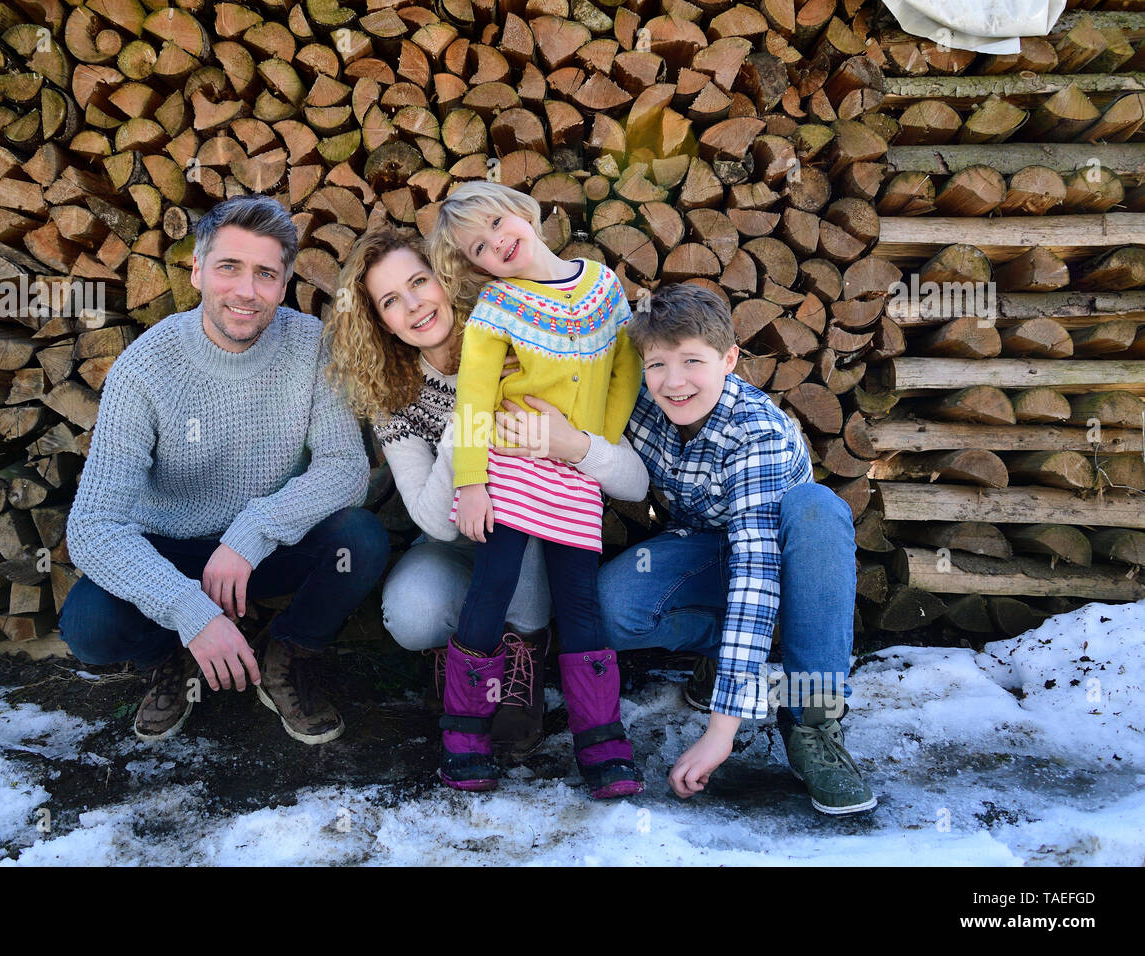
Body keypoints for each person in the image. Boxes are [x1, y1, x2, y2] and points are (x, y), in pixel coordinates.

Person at [59, 195, 389, 745]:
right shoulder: (144, 368)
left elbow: (345, 469)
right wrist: (187, 607)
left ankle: (284, 651)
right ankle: (174, 654)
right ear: (197, 272)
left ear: (284, 285)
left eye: (265, 273)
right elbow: (92, 527)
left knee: (361, 540)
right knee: (88, 627)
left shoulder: (312, 345)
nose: (246, 291)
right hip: (173, 552)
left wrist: (251, 533)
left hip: (267, 549)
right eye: (228, 268)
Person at [323, 226, 651, 760]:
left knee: (513, 524)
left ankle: (519, 658)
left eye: (418, 282)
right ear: (378, 320)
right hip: (453, 539)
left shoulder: (525, 334)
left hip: (531, 537)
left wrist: (575, 444)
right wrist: (472, 407)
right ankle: (467, 660)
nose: (414, 306)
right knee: (410, 613)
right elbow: (437, 524)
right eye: (390, 301)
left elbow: (636, 484)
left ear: (444, 278)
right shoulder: (390, 393)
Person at [597, 283, 877, 815]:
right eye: (657, 365)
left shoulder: (758, 432)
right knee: (613, 606)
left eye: (692, 362)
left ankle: (811, 720)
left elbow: (756, 568)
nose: (673, 382)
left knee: (817, 508)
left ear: (729, 360)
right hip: (706, 547)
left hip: (785, 557)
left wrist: (719, 732)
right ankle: (718, 654)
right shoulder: (640, 400)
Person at [425, 181, 645, 798]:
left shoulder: (602, 285)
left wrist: (588, 440)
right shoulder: (496, 310)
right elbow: (472, 399)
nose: (499, 243)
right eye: (480, 247)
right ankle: (464, 733)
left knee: (580, 600)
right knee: (490, 588)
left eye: (499, 223)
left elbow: (626, 367)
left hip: (572, 464)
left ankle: (601, 740)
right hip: (510, 461)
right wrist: (471, 483)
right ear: (475, 265)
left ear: (525, 211)